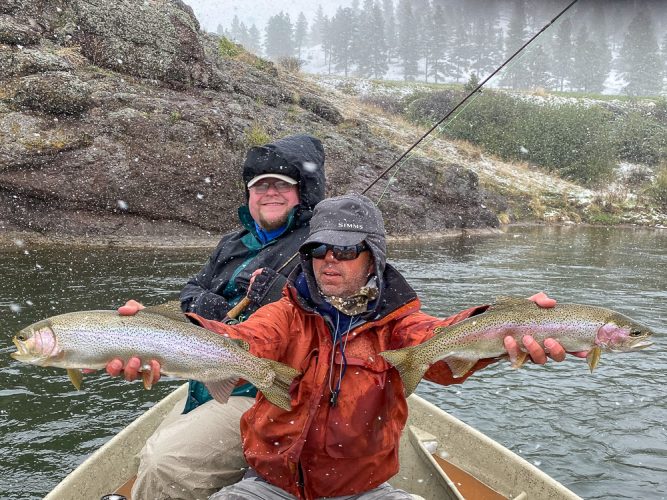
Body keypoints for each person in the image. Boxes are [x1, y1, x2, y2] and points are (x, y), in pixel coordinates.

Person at [115, 194, 584, 500]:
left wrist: (501, 335)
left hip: (363, 491)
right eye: (318, 250)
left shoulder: (400, 324)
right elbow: (241, 340)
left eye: (345, 250)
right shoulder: (285, 310)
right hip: (271, 486)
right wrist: (162, 337)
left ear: (374, 257)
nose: (329, 261)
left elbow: (438, 346)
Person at [108, 133, 326, 500]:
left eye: (282, 185)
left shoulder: (321, 244)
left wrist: (286, 294)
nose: (270, 192)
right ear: (249, 196)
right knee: (150, 454)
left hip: (269, 389)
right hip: (208, 374)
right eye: (260, 186)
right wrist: (212, 309)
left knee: (165, 464)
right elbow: (191, 290)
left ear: (301, 193)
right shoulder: (232, 242)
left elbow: (336, 314)